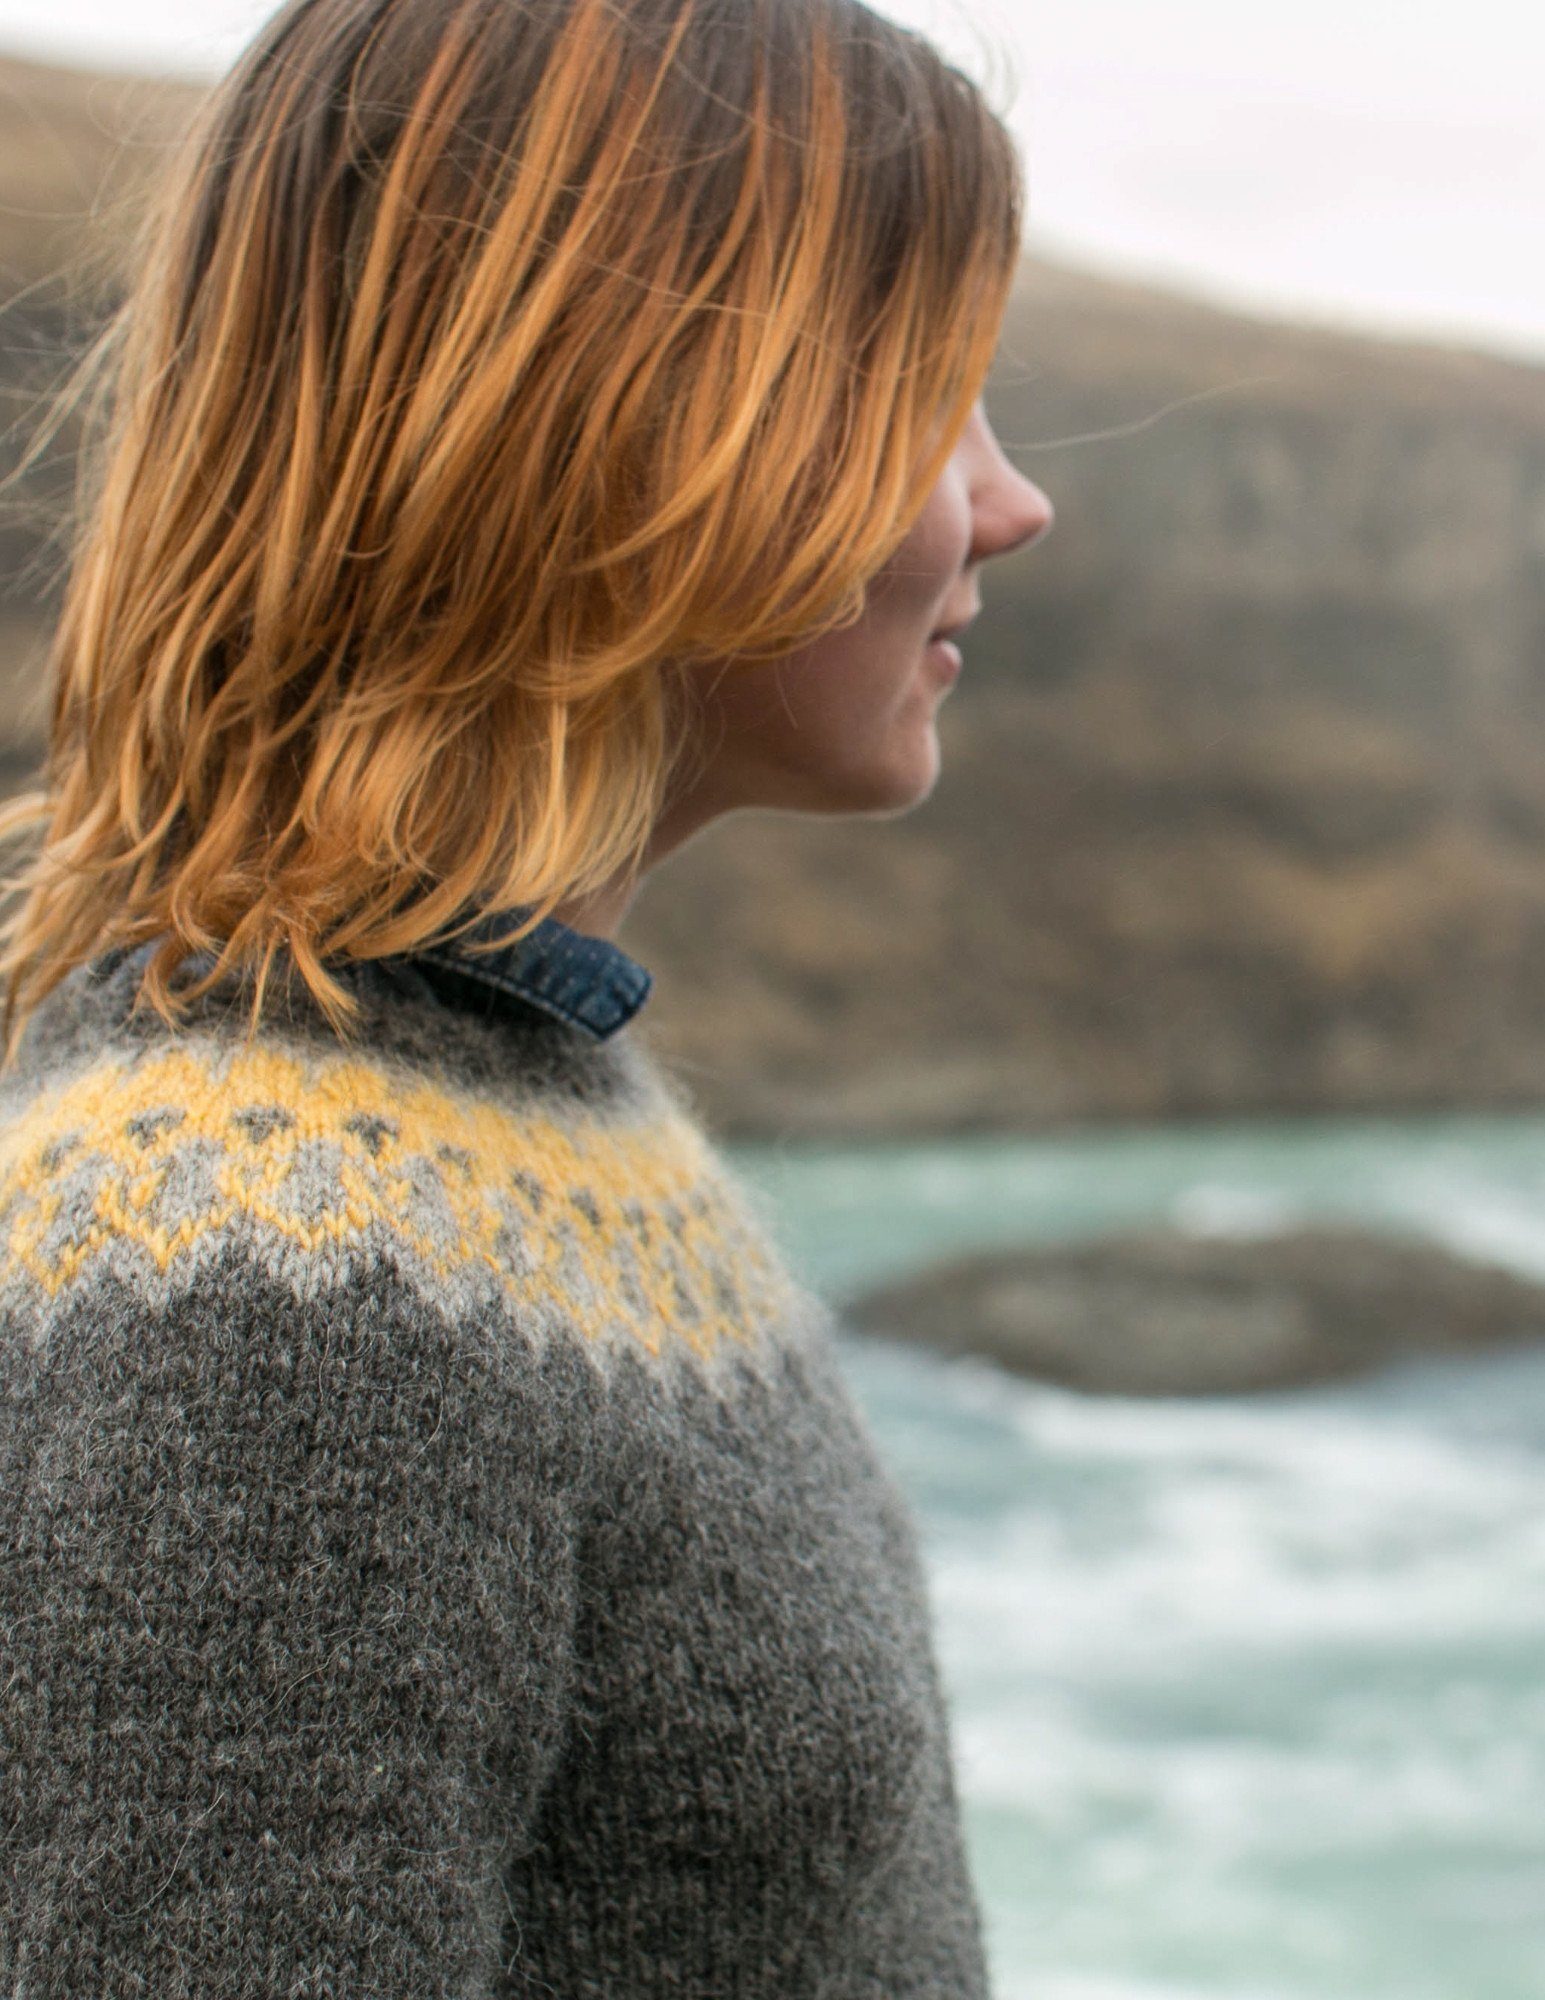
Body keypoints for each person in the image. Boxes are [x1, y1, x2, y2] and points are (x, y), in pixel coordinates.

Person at [0, 0, 1052, 1992]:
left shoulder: (507, 1091)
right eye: (932, 397)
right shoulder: (272, 1255)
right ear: (631, 418)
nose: (1009, 505)